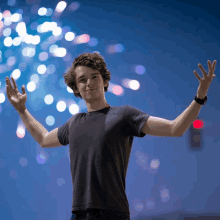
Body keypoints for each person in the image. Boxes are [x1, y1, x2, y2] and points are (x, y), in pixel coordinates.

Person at [5, 52, 216, 220]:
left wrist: (200, 97)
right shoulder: (74, 123)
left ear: (105, 81)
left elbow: (174, 129)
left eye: (95, 76)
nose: (89, 83)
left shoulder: (124, 115)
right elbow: (43, 138)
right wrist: (22, 110)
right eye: (82, 80)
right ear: (76, 89)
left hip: (112, 214)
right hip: (78, 214)